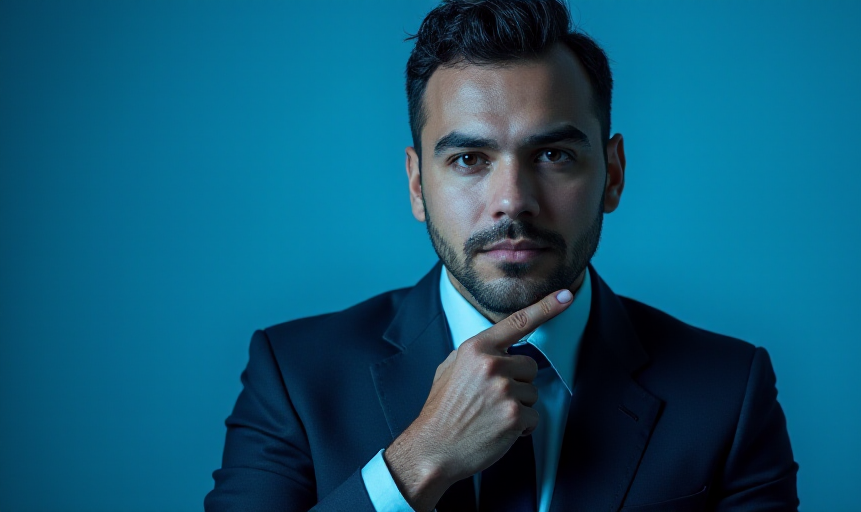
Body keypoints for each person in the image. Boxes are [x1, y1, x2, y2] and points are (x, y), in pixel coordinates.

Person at [204, 0, 799, 510]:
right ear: (417, 184)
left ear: (613, 173)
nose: (512, 201)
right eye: (469, 159)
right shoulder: (294, 377)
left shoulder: (728, 392)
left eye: (553, 155)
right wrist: (417, 463)